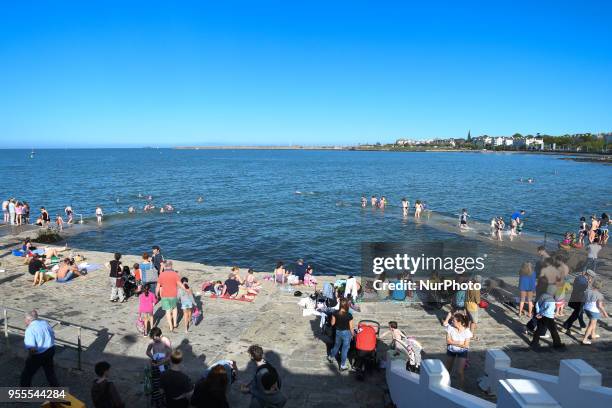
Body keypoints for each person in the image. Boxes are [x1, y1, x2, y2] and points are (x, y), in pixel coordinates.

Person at [20, 310, 59, 387]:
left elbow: (32, 348)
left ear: (28, 320)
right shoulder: (44, 323)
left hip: (39, 354)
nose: (24, 320)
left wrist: (30, 358)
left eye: (24, 318)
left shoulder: (30, 329)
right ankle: (56, 389)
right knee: (50, 372)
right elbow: (53, 335)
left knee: (26, 375)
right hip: (50, 350)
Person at [146, 327, 172, 408]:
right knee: (155, 383)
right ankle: (156, 400)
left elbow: (170, 356)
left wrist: (161, 361)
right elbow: (147, 351)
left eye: (156, 338)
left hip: (164, 365)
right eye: (153, 338)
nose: (155, 340)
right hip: (155, 364)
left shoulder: (165, 341)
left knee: (164, 383)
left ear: (160, 335)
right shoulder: (152, 342)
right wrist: (153, 357)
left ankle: (164, 399)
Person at [444, 313, 472, 389]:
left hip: (462, 352)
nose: (452, 322)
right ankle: (445, 385)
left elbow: (466, 345)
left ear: (459, 322)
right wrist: (459, 343)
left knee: (460, 372)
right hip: (451, 350)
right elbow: (448, 341)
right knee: (447, 370)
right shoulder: (450, 328)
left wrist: (453, 342)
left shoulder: (467, 331)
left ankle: (461, 388)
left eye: (453, 321)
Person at [563, 270, 595, 334]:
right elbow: (585, 291)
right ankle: (566, 326)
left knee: (579, 312)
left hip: (575, 298)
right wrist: (589, 284)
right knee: (576, 313)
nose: (591, 278)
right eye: (591, 276)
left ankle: (582, 325)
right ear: (588, 275)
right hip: (580, 300)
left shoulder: (578, 277)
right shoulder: (584, 282)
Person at [327, 298, 353, 370]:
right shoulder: (349, 315)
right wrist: (353, 335)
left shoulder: (335, 313)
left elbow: (332, 324)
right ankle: (342, 365)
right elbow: (351, 328)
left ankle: (331, 357)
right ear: (347, 305)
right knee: (345, 349)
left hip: (338, 331)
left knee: (336, 346)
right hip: (346, 333)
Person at [156, 260, 182, 332]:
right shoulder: (175, 274)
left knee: (167, 311)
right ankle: (175, 323)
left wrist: (156, 293)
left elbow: (158, 286)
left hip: (164, 295)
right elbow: (179, 284)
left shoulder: (161, 274)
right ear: (171, 266)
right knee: (174, 308)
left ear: (165, 266)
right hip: (173, 294)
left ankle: (170, 326)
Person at [582, 280, 608, 345]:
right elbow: (599, 306)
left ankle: (593, 334)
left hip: (586, 308)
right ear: (600, 287)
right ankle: (584, 340)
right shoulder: (599, 295)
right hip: (594, 310)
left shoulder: (587, 291)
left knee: (593, 322)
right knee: (591, 325)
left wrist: (589, 282)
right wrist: (604, 312)